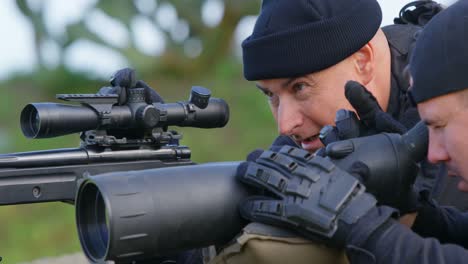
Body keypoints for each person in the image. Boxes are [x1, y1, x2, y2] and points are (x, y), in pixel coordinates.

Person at [237, 0, 468, 262]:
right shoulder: (312, 128)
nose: (285, 124)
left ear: (363, 61)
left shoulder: (448, 77)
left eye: (299, 87)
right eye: (271, 96)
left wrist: (363, 225)